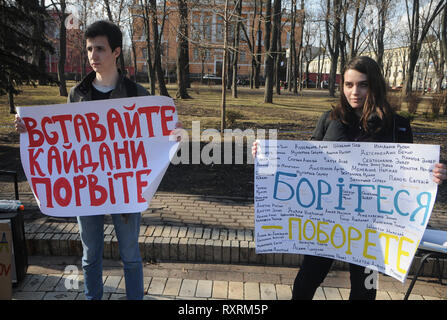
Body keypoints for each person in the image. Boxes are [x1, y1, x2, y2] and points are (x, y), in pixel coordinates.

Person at [252, 56, 447, 300]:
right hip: (326, 221)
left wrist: (432, 175)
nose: (354, 92)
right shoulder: (329, 119)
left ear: (375, 85)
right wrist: (270, 157)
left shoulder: (397, 125)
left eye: (363, 84)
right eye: (348, 84)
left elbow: (409, 174)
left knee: (365, 289)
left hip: (372, 228)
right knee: (306, 281)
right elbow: (307, 162)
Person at [15, 20, 180, 300]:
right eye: (90, 49)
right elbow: (63, 139)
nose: (93, 55)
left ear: (116, 52)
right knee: (90, 254)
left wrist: (174, 135)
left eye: (100, 49)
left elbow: (153, 136)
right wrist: (30, 129)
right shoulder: (76, 94)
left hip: (124, 187)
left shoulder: (136, 94)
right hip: (86, 186)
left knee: (130, 253)